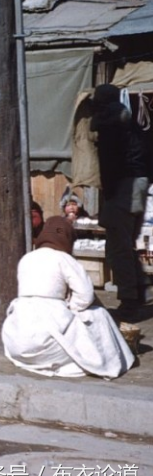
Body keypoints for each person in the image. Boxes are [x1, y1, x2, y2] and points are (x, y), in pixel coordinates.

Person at [1, 216, 135, 378]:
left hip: (17, 345)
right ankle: (110, 359)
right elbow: (85, 296)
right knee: (98, 314)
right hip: (48, 345)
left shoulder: (26, 258)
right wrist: (72, 307)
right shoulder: (64, 259)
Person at [90, 83, 150, 319]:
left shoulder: (111, 123)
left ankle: (130, 301)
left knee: (118, 246)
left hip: (125, 186)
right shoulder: (127, 122)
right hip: (136, 184)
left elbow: (111, 163)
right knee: (126, 243)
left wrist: (110, 192)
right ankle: (138, 288)